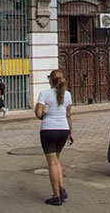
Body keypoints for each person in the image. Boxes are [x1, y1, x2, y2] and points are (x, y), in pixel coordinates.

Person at [35, 68, 74, 206]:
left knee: (51, 163)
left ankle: (56, 195)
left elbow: (39, 113)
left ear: (50, 80)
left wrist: (45, 114)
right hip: (63, 130)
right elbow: (68, 115)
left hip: (48, 130)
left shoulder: (44, 94)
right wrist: (70, 132)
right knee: (57, 160)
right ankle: (61, 188)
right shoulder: (67, 94)